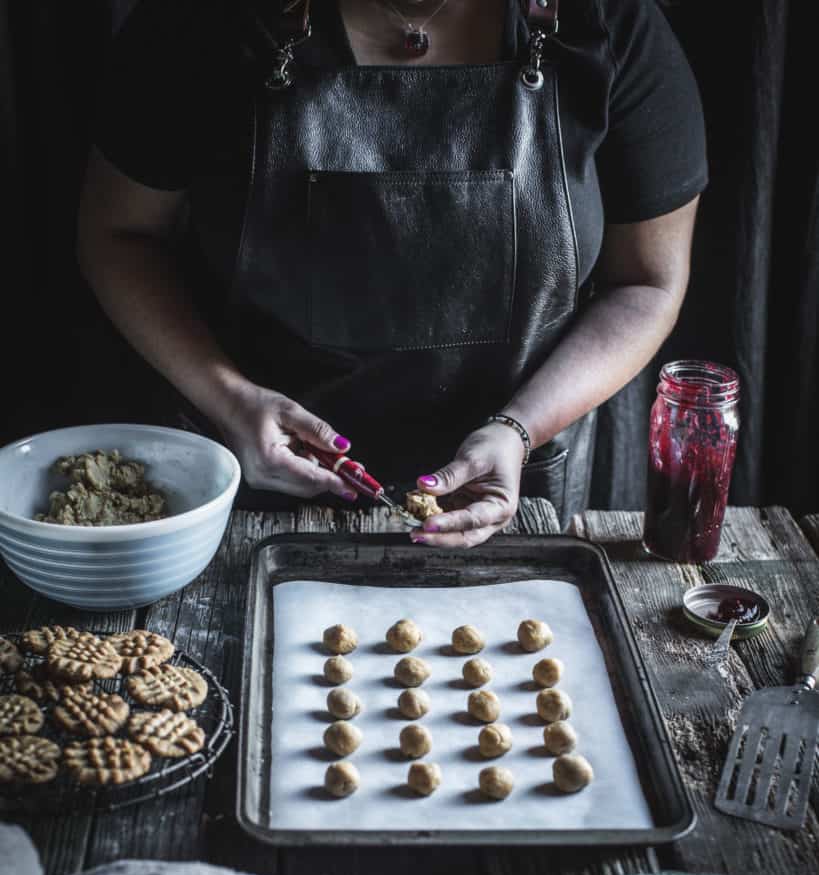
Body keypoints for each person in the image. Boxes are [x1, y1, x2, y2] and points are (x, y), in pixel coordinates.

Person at [77, 0, 707, 546]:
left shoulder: (606, 21)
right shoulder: (203, 17)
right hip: (254, 496)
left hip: (516, 491)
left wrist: (520, 427)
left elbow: (647, 283)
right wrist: (230, 400)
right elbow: (120, 234)